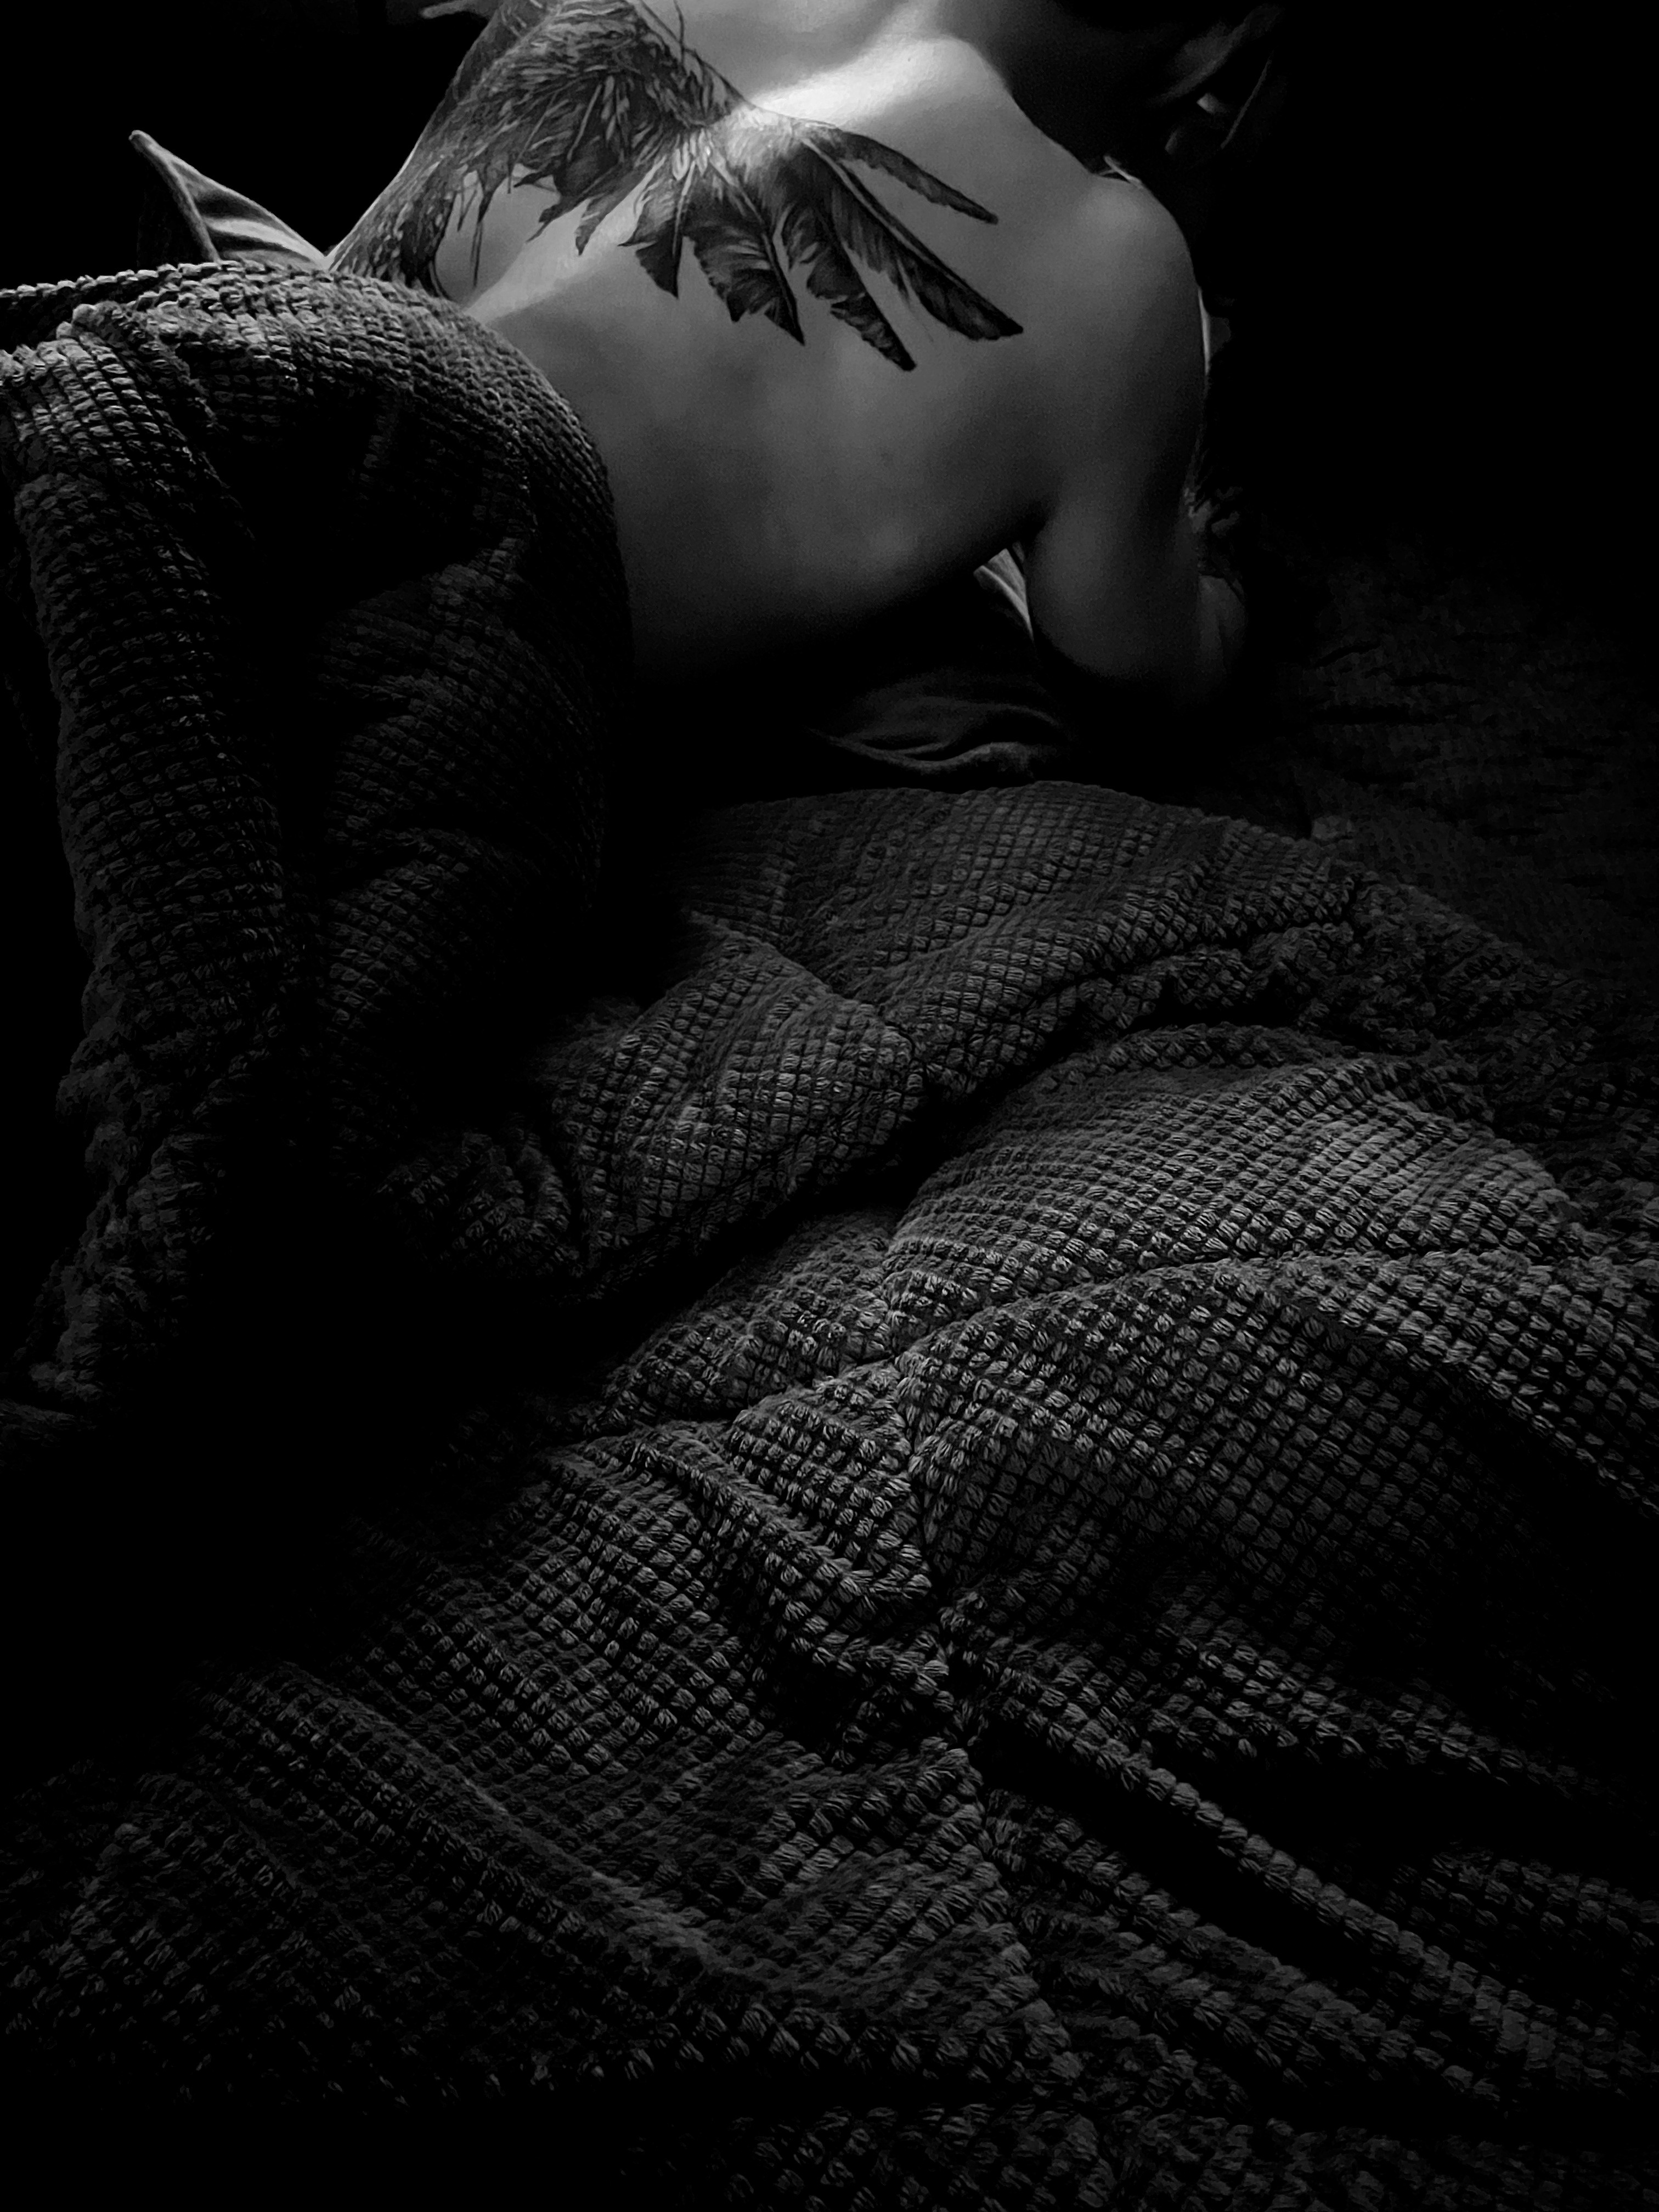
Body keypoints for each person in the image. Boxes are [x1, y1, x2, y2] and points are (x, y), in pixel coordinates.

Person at [333, 0, 1280, 718]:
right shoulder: (1110, 258)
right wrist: (1233, 547)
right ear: (1216, 56)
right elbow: (1139, 677)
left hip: (287, 373)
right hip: (416, 659)